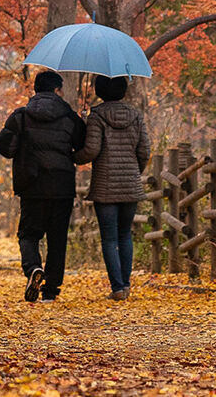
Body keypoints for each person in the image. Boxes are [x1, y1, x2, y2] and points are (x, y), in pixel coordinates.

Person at [0, 70, 86, 303]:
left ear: (36, 90)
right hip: (62, 185)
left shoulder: (21, 117)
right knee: (57, 239)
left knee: (28, 234)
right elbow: (82, 145)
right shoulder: (69, 118)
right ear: (57, 90)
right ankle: (51, 291)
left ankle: (33, 268)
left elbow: (5, 148)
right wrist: (82, 120)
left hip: (32, 184)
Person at [74, 74, 150, 300]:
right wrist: (135, 172)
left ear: (99, 90)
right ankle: (125, 285)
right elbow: (144, 151)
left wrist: (74, 157)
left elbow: (91, 151)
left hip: (106, 186)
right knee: (125, 234)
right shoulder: (136, 115)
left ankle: (116, 288)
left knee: (109, 238)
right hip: (130, 185)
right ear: (123, 90)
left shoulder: (97, 116)